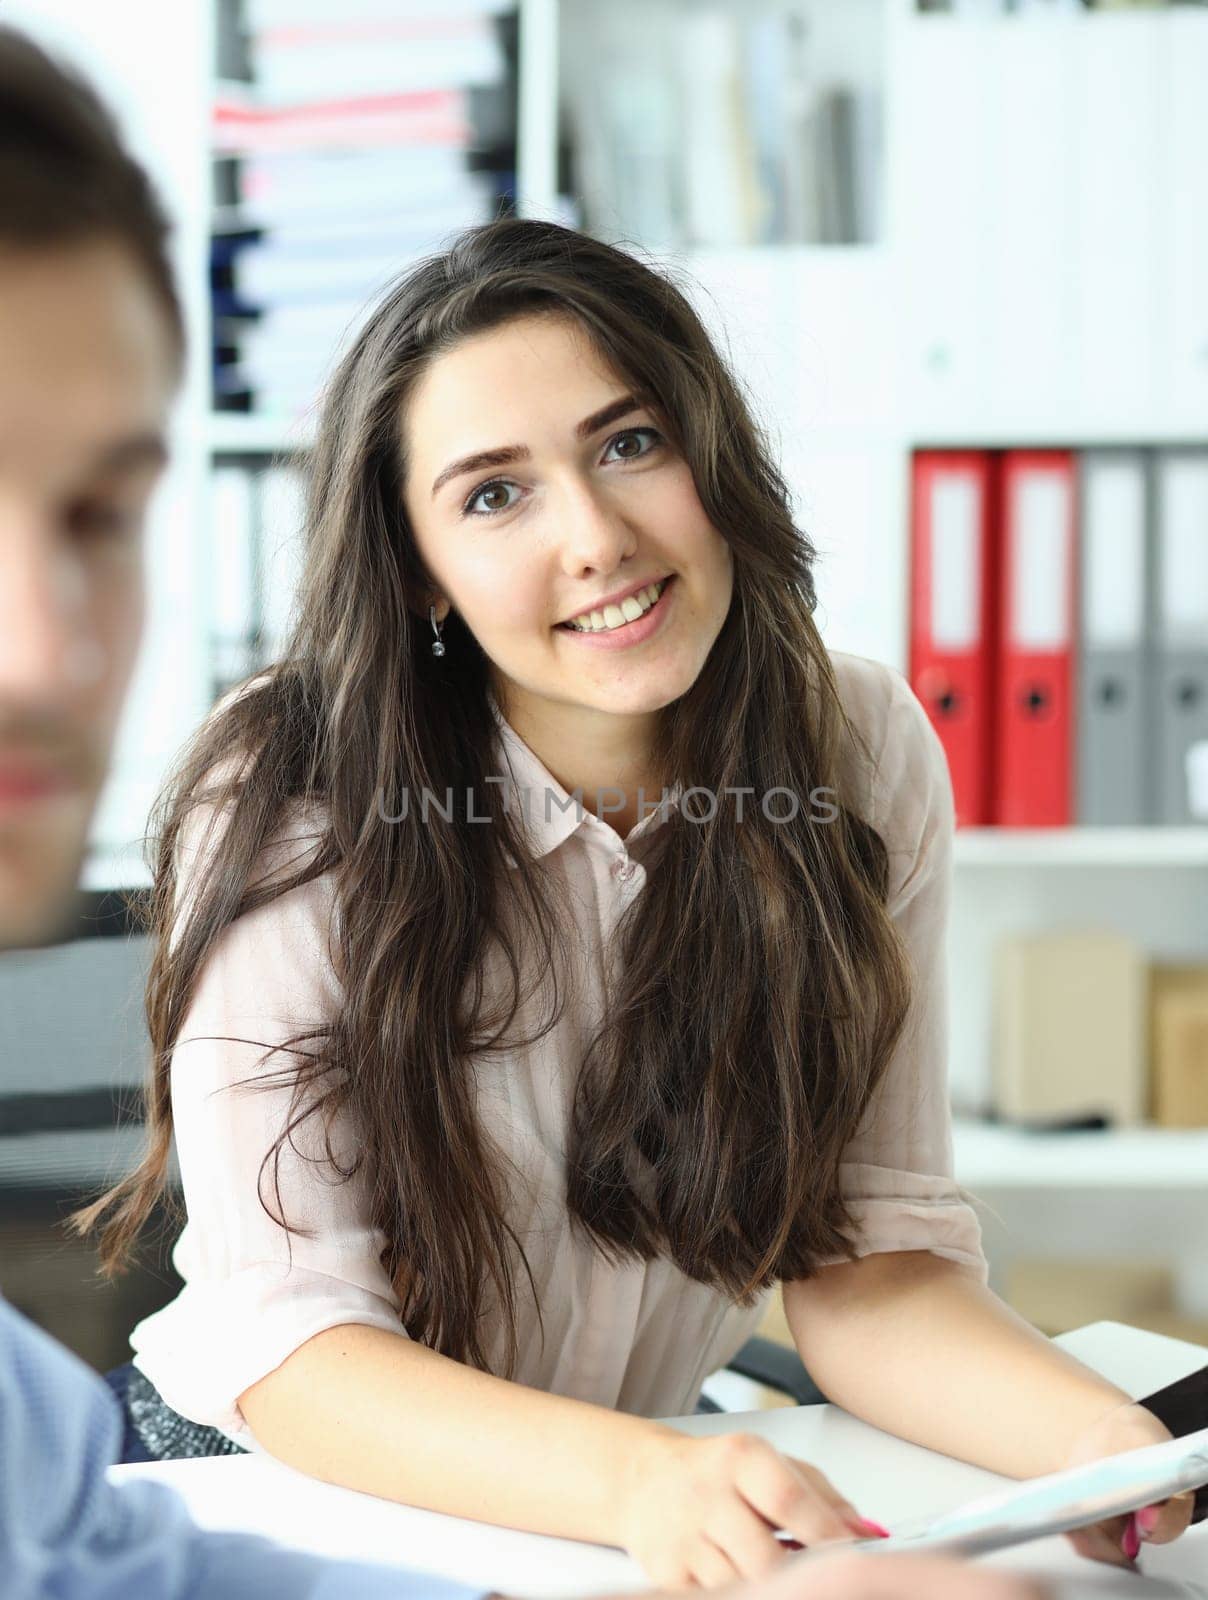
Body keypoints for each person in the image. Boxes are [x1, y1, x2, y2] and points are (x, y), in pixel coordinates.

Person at [0, 19, 1056, 1600]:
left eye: (630, 444)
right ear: (420, 568)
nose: (598, 538)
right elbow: (293, 1340)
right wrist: (653, 1485)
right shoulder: (291, 784)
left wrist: (1134, 1453)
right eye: (494, 492)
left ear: (714, 451)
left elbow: (869, 1261)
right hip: (304, 1483)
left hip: (633, 1484)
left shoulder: (856, 744)